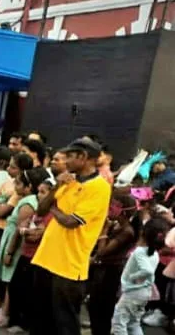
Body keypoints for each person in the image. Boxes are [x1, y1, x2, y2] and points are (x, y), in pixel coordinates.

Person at [30, 137, 111, 335]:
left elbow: (71, 222)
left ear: (84, 157)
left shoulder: (99, 187)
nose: (65, 162)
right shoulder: (68, 182)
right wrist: (57, 187)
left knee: (64, 324)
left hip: (68, 267)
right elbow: (40, 210)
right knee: (40, 320)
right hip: (45, 259)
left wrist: (54, 209)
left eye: (70, 157)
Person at [0, 168, 46, 328]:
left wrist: (10, 251)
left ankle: (5, 313)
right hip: (10, 242)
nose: (15, 185)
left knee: (11, 281)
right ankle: (2, 311)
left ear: (28, 186)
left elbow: (20, 230)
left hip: (16, 247)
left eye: (18, 183)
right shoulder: (25, 199)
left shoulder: (28, 203)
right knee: (7, 279)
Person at [87, 194, 138, 335]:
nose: (110, 207)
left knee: (102, 307)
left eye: (114, 205)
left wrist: (104, 231)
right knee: (94, 305)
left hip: (110, 274)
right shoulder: (116, 225)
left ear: (124, 211)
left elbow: (103, 251)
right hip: (102, 271)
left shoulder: (127, 231)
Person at [111, 218, 168, 335]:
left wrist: (132, 277)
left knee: (119, 322)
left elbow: (147, 271)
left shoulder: (139, 252)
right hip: (143, 293)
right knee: (133, 323)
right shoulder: (155, 254)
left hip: (133, 292)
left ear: (143, 232)